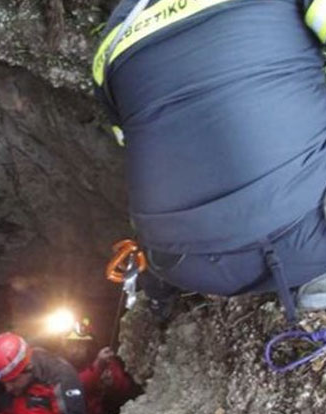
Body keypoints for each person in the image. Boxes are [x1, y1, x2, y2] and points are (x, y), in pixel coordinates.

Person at [93, 0, 326, 321]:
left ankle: (160, 302)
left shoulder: (111, 42)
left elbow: (131, 141)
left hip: (186, 264)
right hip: (307, 241)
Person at [0, 332, 86, 414]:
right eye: (3, 382)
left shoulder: (60, 375)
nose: (8, 388)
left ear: (29, 368)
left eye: (13, 380)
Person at [78, 347, 137, 414]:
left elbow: (129, 386)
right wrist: (97, 370)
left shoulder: (110, 360)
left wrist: (113, 382)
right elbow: (73, 385)